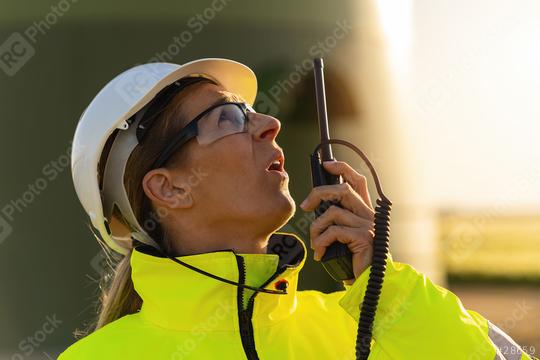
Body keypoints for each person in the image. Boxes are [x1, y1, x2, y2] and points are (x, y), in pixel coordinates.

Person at [59, 58, 534, 359]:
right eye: (228, 117)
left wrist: (384, 289)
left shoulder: (370, 324)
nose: (270, 123)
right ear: (169, 188)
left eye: (251, 111)